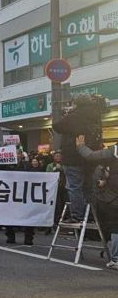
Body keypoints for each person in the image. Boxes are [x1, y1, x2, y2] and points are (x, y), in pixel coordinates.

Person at [52, 94, 106, 223]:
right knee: (89, 187)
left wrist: (68, 113)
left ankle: (77, 215)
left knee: (74, 186)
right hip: (90, 157)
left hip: (73, 157)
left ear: (77, 104)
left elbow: (57, 126)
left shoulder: (74, 116)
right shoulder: (96, 116)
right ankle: (91, 215)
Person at [75, 135, 118, 270]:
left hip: (114, 195)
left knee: (116, 226)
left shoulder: (114, 150)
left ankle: (116, 259)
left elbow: (91, 156)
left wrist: (80, 146)